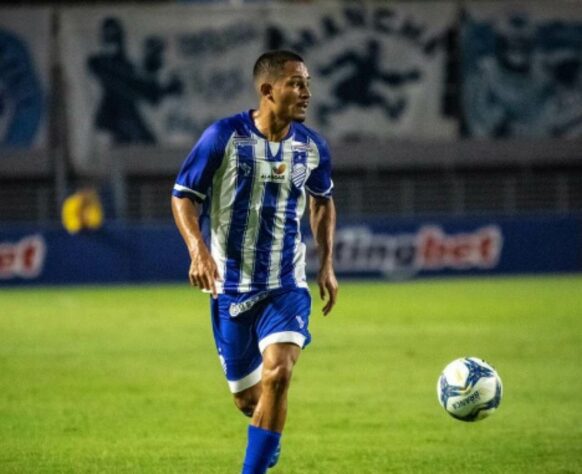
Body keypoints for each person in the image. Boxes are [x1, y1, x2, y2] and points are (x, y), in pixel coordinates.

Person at [171, 50, 338, 473]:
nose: (306, 93)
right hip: (230, 289)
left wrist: (327, 264)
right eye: (295, 84)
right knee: (249, 401)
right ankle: (268, 436)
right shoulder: (223, 137)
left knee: (278, 374)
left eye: (307, 84)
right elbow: (183, 197)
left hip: (285, 285)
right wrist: (198, 250)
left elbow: (322, 201)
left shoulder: (312, 146)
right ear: (267, 90)